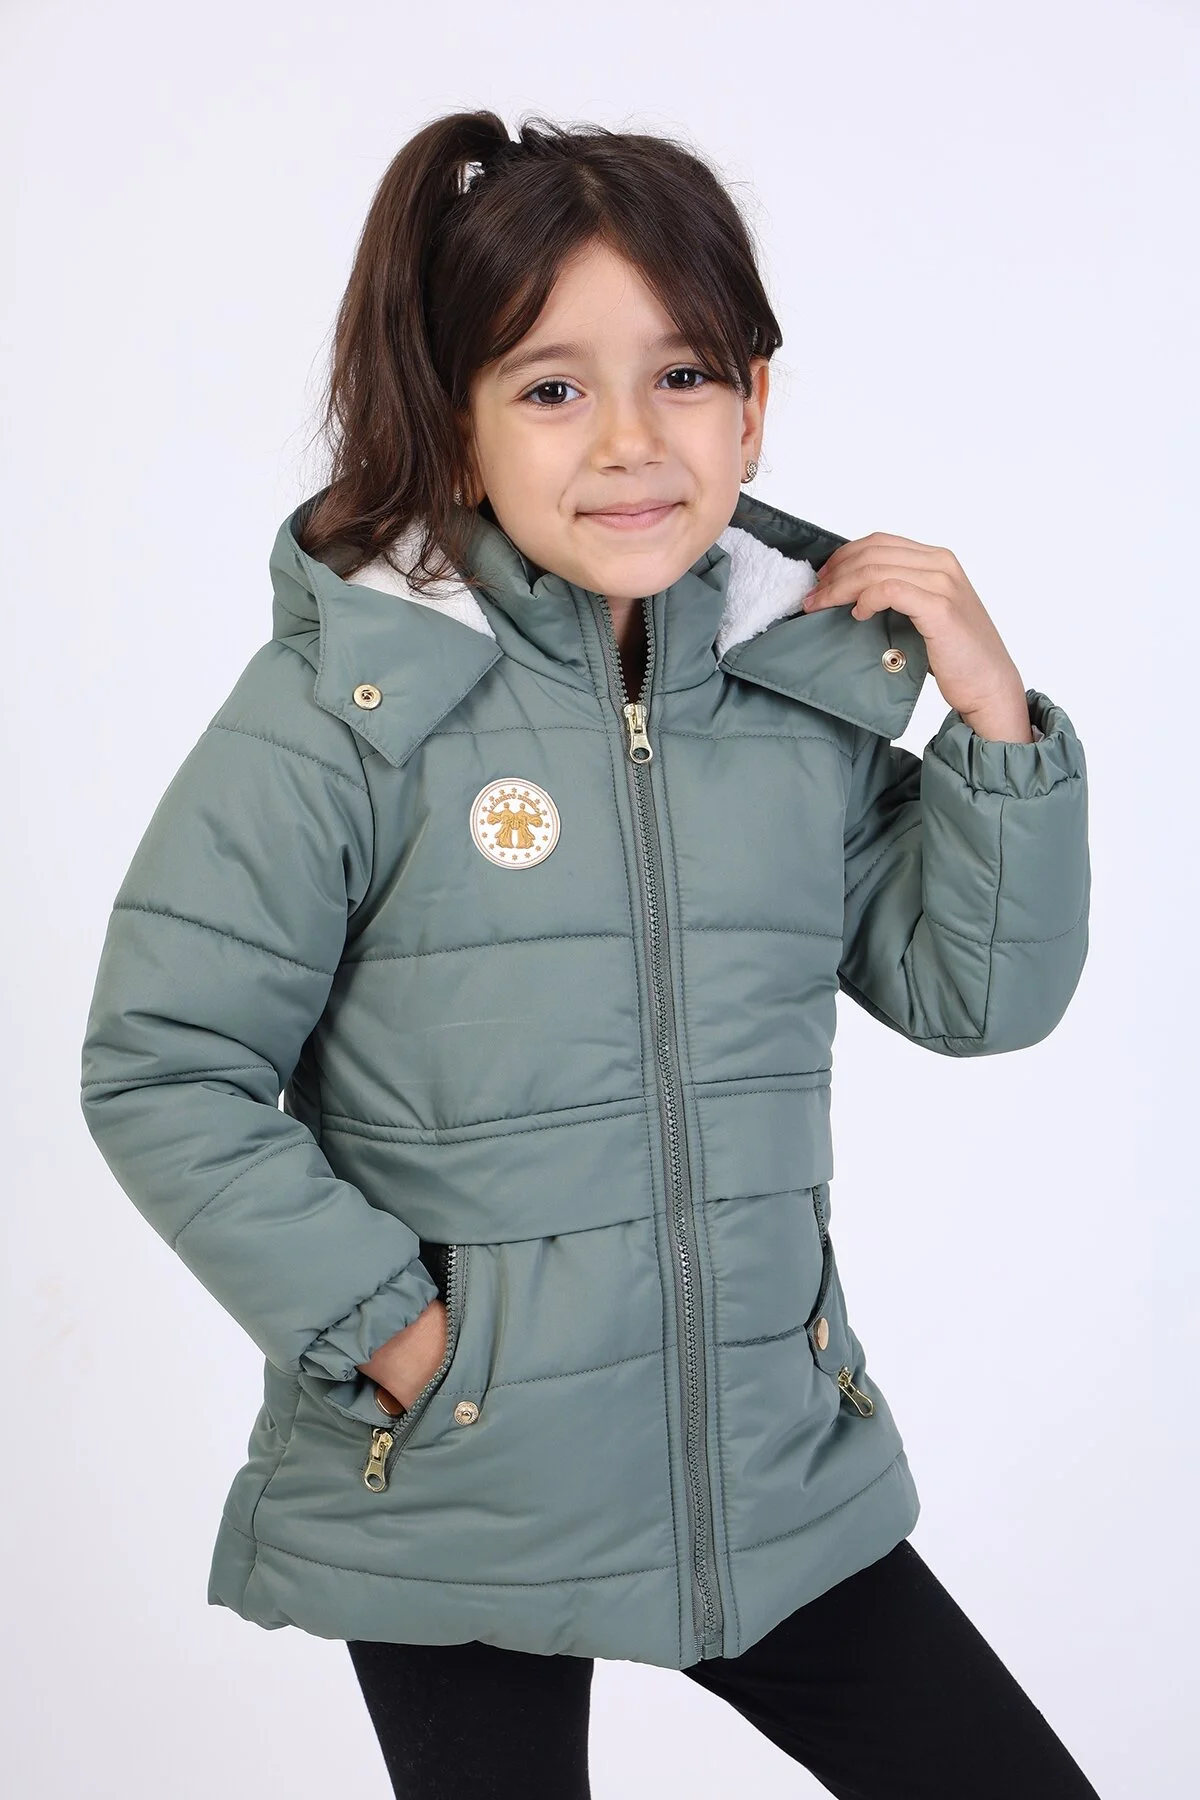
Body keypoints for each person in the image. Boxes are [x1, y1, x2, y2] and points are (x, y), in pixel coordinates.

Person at [79, 109, 1100, 1798]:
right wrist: (410, 1341)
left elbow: (976, 996)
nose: (632, 441)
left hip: (769, 1473)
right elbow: (163, 1066)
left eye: (683, 375)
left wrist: (993, 723)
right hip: (464, 1485)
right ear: (456, 420)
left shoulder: (795, 696)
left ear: (754, 402)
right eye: (553, 388)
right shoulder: (351, 711)